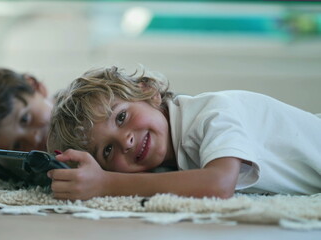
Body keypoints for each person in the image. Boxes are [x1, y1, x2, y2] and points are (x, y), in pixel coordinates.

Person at [46, 66, 321, 201]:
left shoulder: (210, 113)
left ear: (148, 92)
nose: (125, 141)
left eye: (121, 117)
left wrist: (106, 184)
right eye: (107, 151)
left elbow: (218, 184)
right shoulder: (166, 166)